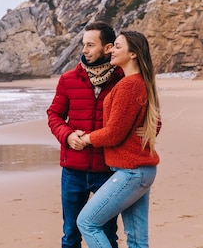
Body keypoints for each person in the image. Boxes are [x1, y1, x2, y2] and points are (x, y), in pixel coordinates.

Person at [75, 30, 161, 248]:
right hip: (142, 170)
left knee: (87, 222)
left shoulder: (128, 85)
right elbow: (153, 121)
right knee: (137, 239)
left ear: (133, 54)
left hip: (131, 171)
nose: (112, 50)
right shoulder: (140, 82)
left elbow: (113, 133)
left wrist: (86, 139)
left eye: (118, 46)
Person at [47, 21, 124, 248]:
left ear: (108, 47)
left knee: (108, 234)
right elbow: (54, 115)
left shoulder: (122, 79)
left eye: (91, 45)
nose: (84, 50)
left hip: (108, 171)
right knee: (70, 234)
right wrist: (67, 135)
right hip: (73, 171)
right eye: (84, 45)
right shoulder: (69, 79)